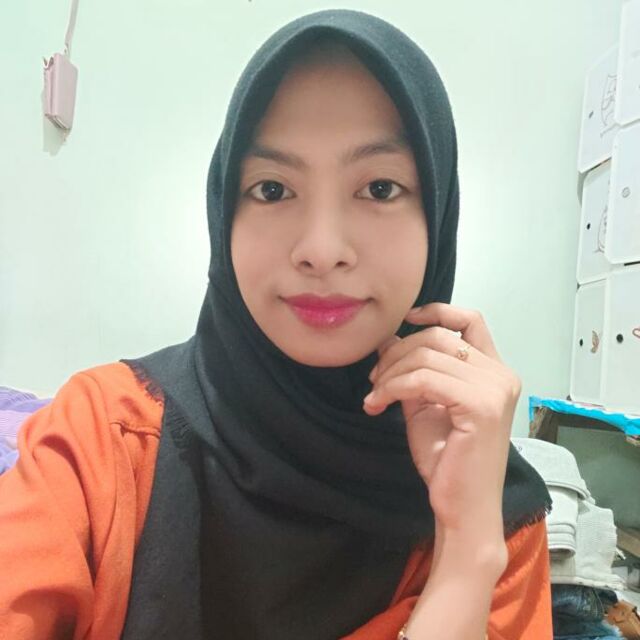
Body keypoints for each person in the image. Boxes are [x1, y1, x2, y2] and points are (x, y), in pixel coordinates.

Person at [0, 9, 553, 640]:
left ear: (438, 212)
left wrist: (466, 553)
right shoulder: (105, 439)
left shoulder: (486, 497)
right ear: (224, 213)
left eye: (379, 188)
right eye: (271, 189)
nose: (322, 249)